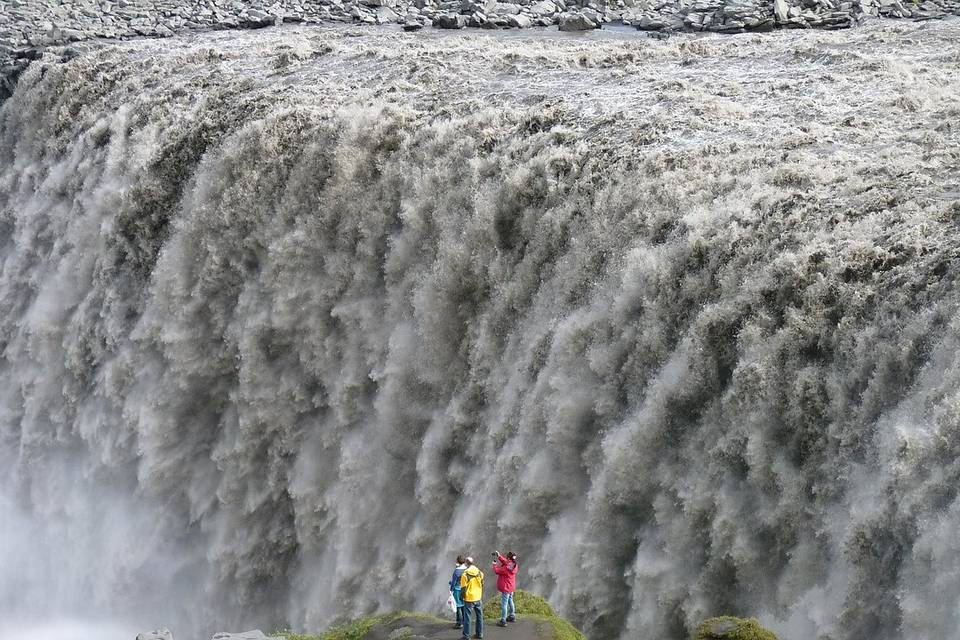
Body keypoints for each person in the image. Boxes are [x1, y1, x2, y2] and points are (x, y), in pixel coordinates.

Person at [460, 556, 484, 640]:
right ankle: (479, 634)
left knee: (467, 618)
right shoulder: (480, 573)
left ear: (466, 563)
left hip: (469, 598)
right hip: (478, 598)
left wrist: (462, 598)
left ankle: (466, 636)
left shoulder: (465, 575)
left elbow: (463, 589)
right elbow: (482, 584)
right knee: (479, 616)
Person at [492, 551, 519, 626]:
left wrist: (494, 565)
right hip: (511, 587)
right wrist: (499, 556)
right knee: (510, 600)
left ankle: (503, 620)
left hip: (506, 588)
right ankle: (512, 615)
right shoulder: (514, 564)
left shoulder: (506, 569)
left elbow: (497, 571)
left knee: (504, 604)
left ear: (508, 558)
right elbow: (506, 562)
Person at [450, 555, 469, 629]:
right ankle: (465, 621)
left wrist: (451, 590)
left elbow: (453, 582)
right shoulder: (467, 569)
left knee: (458, 606)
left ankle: (459, 623)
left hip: (457, 590)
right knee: (464, 605)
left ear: (457, 562)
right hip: (465, 590)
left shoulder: (457, 571)